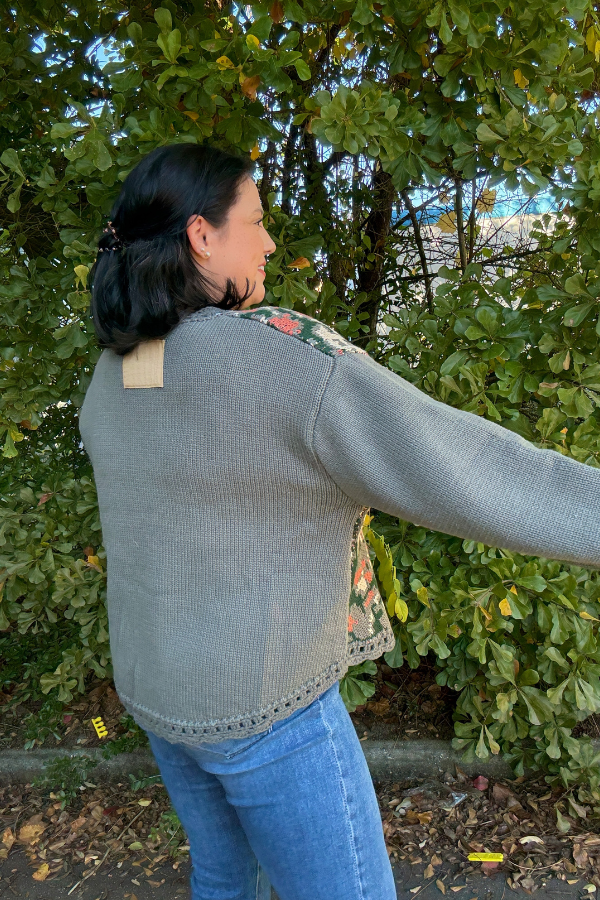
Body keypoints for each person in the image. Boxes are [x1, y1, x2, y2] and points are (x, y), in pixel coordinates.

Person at [79, 142, 600, 900]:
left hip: (161, 697)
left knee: (223, 880)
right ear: (201, 235)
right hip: (265, 711)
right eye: (256, 221)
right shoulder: (285, 360)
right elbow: (460, 466)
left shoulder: (118, 366)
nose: (269, 242)